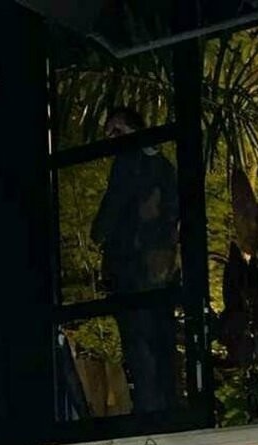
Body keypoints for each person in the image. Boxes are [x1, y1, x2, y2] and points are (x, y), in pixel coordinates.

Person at [90, 106, 179, 414]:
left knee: (140, 342)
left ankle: (152, 409)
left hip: (134, 267)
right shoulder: (162, 165)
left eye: (117, 131)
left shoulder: (131, 163)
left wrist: (99, 231)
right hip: (157, 269)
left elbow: (113, 207)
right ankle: (164, 407)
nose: (112, 139)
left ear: (134, 130)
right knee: (158, 341)